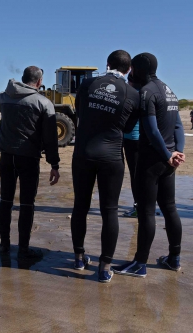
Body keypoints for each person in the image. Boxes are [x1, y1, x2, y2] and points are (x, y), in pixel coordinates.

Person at [112, 53, 185, 278]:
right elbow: (179, 127)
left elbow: (152, 130)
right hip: (169, 159)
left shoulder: (146, 92)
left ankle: (140, 263)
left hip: (152, 160)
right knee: (170, 208)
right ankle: (174, 258)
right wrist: (177, 153)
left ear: (135, 69)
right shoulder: (168, 90)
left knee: (146, 212)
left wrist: (165, 154)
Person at [70, 50, 140, 283]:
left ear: (107, 64)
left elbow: (79, 112)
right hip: (111, 157)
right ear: (129, 69)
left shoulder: (88, 83)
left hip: (83, 153)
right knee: (109, 210)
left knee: (80, 205)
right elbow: (129, 128)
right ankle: (104, 266)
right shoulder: (132, 92)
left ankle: (79, 258)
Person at [0, 66, 60, 260]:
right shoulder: (43, 102)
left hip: (7, 157)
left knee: (5, 201)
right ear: (39, 82)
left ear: (23, 78)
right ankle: (24, 249)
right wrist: (54, 164)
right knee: (26, 204)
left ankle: (4, 245)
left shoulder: (5, 97)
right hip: (29, 158)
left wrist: (2, 99)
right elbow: (51, 138)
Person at [122, 73, 143, 218]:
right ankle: (145, 206)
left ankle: (138, 207)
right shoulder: (145, 94)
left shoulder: (131, 96)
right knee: (143, 175)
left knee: (135, 175)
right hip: (144, 140)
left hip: (131, 139)